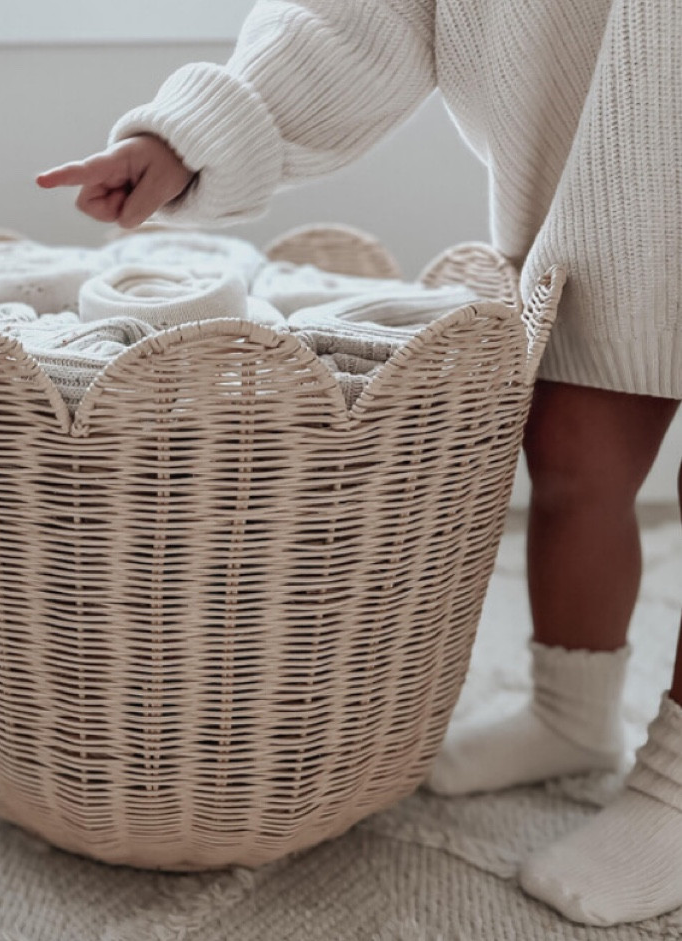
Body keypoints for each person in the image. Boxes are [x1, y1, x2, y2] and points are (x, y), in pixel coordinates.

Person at [36, 0, 682, 926]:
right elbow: (359, 13)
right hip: (605, 192)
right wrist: (200, 131)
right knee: (570, 454)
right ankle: (571, 711)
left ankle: (674, 786)